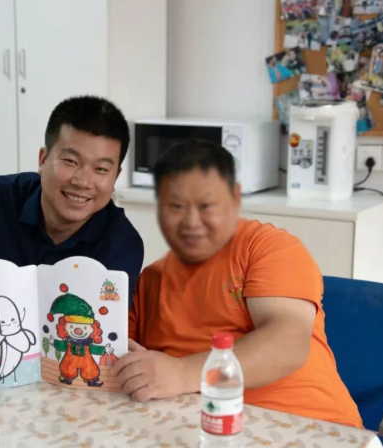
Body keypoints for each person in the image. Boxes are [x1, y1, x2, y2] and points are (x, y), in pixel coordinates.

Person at [116, 140, 363, 428]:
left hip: (312, 426)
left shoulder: (268, 247)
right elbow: (117, 361)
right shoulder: (149, 281)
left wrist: (181, 373)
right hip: (204, 429)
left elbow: (287, 343)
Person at [0, 95, 144, 378]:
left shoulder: (123, 243)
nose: (83, 181)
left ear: (115, 176)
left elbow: (87, 336)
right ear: (43, 159)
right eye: (70, 161)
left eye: (101, 169)